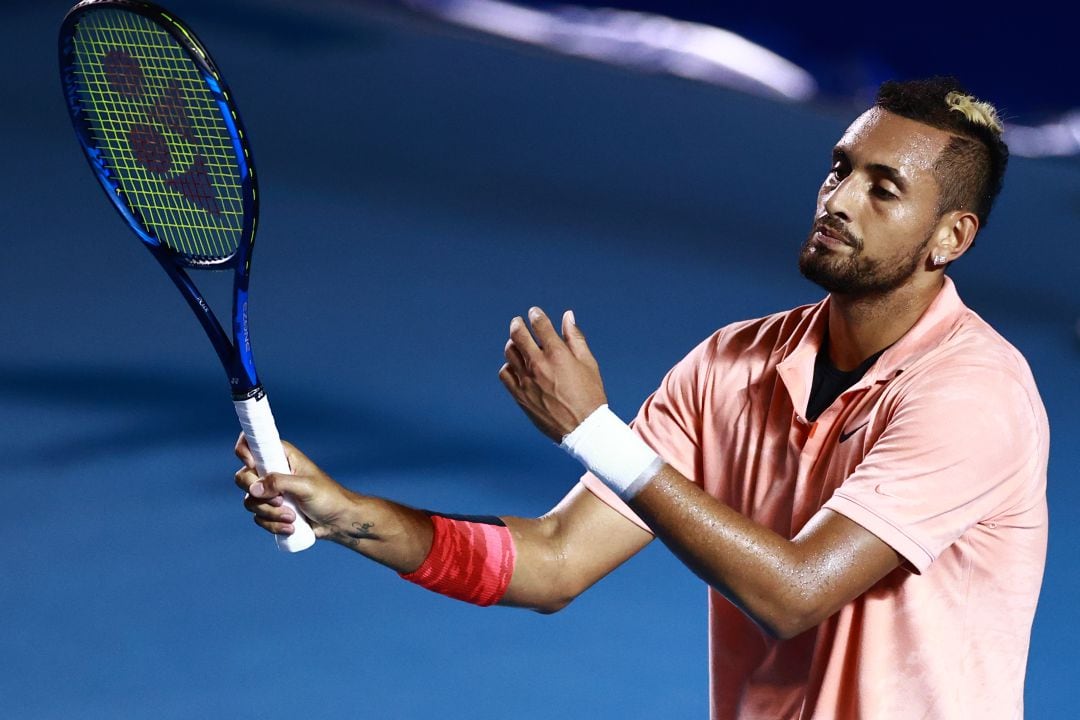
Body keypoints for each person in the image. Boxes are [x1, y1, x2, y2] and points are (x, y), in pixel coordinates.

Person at [235, 77, 1047, 719]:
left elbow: (795, 594)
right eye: (840, 167)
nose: (837, 201)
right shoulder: (729, 366)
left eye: (883, 189)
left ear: (951, 238)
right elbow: (552, 562)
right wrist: (348, 516)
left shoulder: (972, 395)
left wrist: (596, 432)